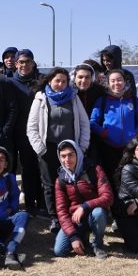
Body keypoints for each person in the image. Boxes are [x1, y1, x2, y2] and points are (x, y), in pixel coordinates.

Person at [27, 68, 90, 233]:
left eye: (64, 81)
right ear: (50, 81)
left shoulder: (74, 98)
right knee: (49, 184)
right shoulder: (41, 99)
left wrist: (81, 147)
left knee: (71, 182)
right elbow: (32, 128)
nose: (60, 84)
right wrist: (41, 149)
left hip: (71, 150)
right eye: (57, 81)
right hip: (48, 149)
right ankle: (54, 217)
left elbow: (84, 124)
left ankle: (70, 215)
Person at [53, 140, 113, 259]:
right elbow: (61, 211)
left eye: (71, 155)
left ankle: (97, 245)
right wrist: (73, 237)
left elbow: (108, 196)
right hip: (76, 219)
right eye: (63, 156)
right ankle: (82, 238)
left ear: (78, 154)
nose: (67, 159)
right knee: (59, 251)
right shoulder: (60, 180)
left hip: (94, 213)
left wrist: (84, 206)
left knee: (99, 213)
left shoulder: (94, 170)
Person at [89, 69, 138, 186]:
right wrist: (103, 133)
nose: (116, 83)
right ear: (108, 83)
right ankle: (113, 203)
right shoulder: (102, 100)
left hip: (129, 148)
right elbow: (93, 122)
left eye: (119, 80)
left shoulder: (133, 99)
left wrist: (137, 133)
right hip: (109, 147)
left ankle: (128, 203)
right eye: (112, 81)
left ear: (124, 82)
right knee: (111, 178)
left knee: (129, 178)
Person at [8, 49, 45, 215]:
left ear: (33, 63)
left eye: (27, 61)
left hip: (36, 132)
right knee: (18, 169)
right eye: (21, 62)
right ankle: (21, 204)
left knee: (36, 168)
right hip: (14, 133)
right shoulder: (8, 82)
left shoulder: (41, 81)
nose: (24, 65)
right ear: (16, 64)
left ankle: (38, 203)